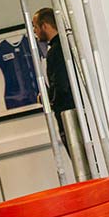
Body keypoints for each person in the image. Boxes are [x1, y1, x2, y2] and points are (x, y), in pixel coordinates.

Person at [32, 8, 73, 152]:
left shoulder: (56, 51)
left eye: (35, 27)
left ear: (45, 26)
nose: (35, 32)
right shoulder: (65, 45)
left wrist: (48, 97)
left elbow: (61, 84)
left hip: (68, 113)